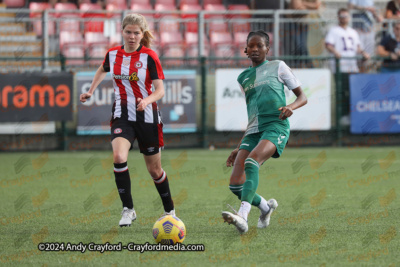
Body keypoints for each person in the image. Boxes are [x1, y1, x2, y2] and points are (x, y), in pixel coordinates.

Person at [79, 13, 174, 227]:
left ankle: (170, 211)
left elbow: (160, 90)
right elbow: (102, 69)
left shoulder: (149, 56)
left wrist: (147, 100)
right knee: (118, 156)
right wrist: (91, 91)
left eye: (136, 33)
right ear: (122, 32)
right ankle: (128, 210)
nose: (132, 36)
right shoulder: (113, 54)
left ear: (142, 34)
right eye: (128, 32)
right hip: (122, 114)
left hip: (147, 116)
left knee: (154, 170)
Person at [221, 30, 307, 234]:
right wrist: (239, 145)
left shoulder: (278, 66)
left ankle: (243, 216)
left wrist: (291, 107)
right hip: (253, 131)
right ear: (245, 50)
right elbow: (252, 112)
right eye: (251, 46)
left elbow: (303, 97)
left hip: (276, 125)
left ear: (268, 49)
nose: (255, 49)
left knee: (252, 161)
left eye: (260, 45)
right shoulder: (243, 77)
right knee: (235, 185)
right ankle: (266, 208)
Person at [325, 8, 369, 125]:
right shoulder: (334, 31)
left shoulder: (353, 32)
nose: (344, 18)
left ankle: (352, 116)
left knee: (354, 92)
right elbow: (328, 45)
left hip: (352, 67)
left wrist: (363, 53)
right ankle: (343, 117)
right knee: (342, 92)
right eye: (342, 16)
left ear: (349, 17)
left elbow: (358, 47)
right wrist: (335, 52)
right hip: (340, 67)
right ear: (339, 17)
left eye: (346, 16)